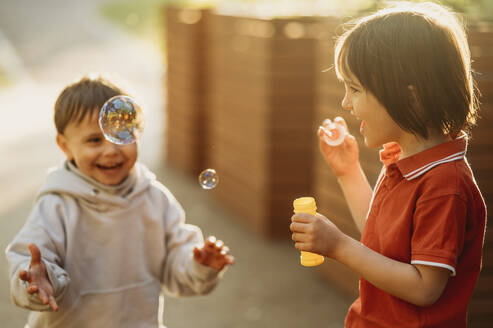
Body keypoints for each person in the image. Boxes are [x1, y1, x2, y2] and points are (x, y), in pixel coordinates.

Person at [290, 2, 486, 328]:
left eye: (354, 89)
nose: (345, 103)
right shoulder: (404, 160)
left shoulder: (444, 184)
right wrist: (348, 171)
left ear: (410, 97)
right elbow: (381, 239)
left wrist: (338, 245)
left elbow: (424, 288)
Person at [6, 75, 234, 328]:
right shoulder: (57, 205)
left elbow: (177, 268)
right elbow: (31, 259)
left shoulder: (155, 199)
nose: (111, 150)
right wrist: (36, 279)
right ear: (65, 146)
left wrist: (200, 266)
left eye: (122, 135)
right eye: (95, 140)